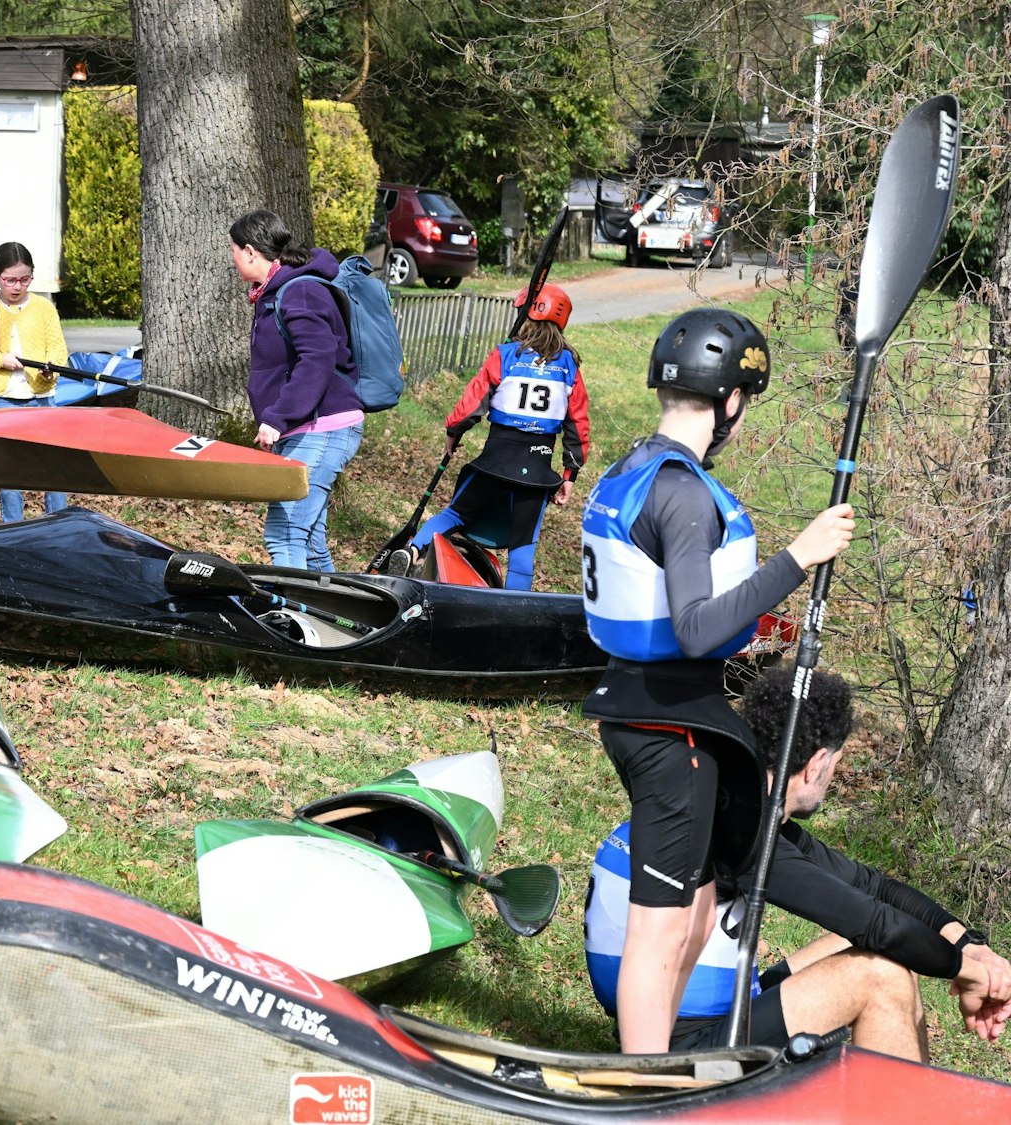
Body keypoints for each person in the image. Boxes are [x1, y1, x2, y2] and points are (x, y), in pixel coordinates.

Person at [579, 306, 857, 1053]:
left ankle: (661, 1058)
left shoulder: (634, 466)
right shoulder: (686, 493)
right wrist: (798, 557)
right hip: (670, 723)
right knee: (663, 929)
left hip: (652, 707)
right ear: (731, 400)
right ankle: (643, 1082)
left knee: (694, 914)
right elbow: (699, 626)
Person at [584, 667, 1011, 1057]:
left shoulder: (733, 808)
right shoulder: (744, 839)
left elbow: (876, 889)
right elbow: (882, 926)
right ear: (817, 764)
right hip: (693, 1051)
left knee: (875, 949)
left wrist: (969, 945)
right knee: (883, 973)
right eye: (836, 766)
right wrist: (970, 975)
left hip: (710, 1010)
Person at [391, 283, 591, 590]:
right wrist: (569, 475)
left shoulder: (506, 355)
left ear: (526, 317)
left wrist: (453, 432)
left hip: (496, 460)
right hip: (537, 470)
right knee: (523, 547)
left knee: (455, 513)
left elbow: (473, 402)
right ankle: (514, 613)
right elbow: (577, 424)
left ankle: (413, 549)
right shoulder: (569, 367)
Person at [230, 209, 364, 571]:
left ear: (250, 252)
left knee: (285, 534)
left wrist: (278, 417)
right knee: (311, 541)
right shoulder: (275, 292)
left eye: (233, 251)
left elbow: (317, 359)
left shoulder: (299, 291)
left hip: (325, 427)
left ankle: (295, 622)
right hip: (310, 428)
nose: (232, 259)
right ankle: (343, 619)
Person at [0, 242, 69, 522]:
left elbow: (58, 349)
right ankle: (13, 525)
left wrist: (50, 371)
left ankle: (57, 523)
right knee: (10, 469)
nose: (17, 286)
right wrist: (1, 361)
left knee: (52, 465)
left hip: (43, 397)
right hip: (3, 398)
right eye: (10, 280)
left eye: (25, 279)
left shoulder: (44, 308)